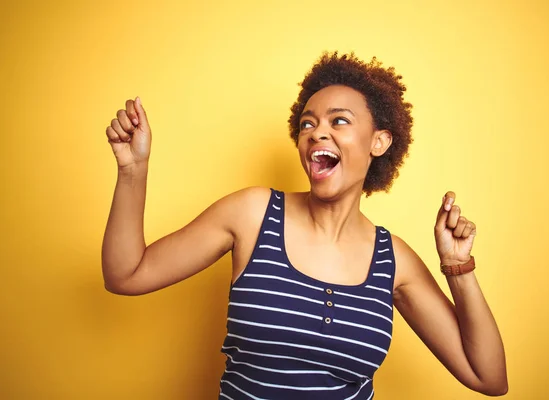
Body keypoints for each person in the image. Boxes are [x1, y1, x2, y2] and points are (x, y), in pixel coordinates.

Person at [102, 52, 508, 399]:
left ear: (379, 142)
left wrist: (459, 267)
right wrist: (133, 169)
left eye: (340, 121)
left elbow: (488, 378)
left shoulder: (393, 261)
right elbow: (126, 274)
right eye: (308, 124)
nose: (318, 134)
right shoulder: (253, 214)